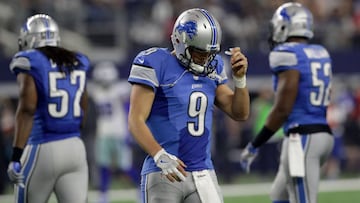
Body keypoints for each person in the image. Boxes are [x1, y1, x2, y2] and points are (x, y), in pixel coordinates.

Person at [128, 8, 250, 203]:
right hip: (164, 172)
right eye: (199, 52)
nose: (205, 59)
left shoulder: (214, 68)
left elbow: (240, 113)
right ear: (179, 41)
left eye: (209, 53)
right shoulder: (155, 62)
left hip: (203, 172)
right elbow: (135, 120)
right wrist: (159, 155)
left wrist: (240, 80)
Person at [240, 2, 334, 203]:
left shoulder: (287, 54)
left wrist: (255, 144)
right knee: (278, 195)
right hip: (322, 133)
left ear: (284, 26)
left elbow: (282, 108)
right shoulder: (320, 52)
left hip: (303, 138)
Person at [6, 14, 90, 203]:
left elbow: (27, 108)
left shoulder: (30, 60)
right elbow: (84, 102)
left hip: (42, 146)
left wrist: (16, 155)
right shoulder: (77, 60)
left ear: (29, 38)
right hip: (75, 146)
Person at [89, 61, 133, 203]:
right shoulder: (114, 90)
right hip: (106, 133)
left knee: (124, 167)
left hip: (118, 133)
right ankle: (103, 194)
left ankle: (140, 188)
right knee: (104, 166)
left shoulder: (114, 90)